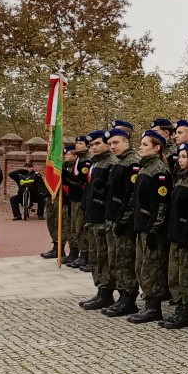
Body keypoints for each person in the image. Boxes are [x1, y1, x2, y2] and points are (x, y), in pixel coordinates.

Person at [126, 131, 170, 323]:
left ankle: (154, 307)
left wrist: (154, 229)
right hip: (141, 226)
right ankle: (148, 303)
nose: (140, 147)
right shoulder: (144, 169)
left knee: (152, 267)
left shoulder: (159, 171)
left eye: (145, 144)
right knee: (141, 266)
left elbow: (161, 204)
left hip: (151, 229)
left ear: (157, 147)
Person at [161, 143, 188, 328]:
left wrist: (187, 235)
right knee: (174, 275)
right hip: (175, 235)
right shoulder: (180, 179)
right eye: (179, 157)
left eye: (184, 157)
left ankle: (187, 312)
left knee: (187, 276)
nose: (179, 160)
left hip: (186, 237)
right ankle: (179, 307)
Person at [101, 128, 141, 317]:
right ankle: (121, 295)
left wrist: (122, 220)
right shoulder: (119, 162)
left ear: (126, 142)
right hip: (112, 219)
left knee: (125, 260)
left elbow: (131, 196)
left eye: (116, 143)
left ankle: (129, 298)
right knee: (115, 259)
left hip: (123, 222)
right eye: (110, 144)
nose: (112, 147)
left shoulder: (132, 162)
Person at [77, 131, 116, 308]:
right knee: (95, 257)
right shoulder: (96, 162)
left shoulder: (110, 163)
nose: (93, 147)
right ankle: (100, 289)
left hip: (102, 218)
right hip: (92, 217)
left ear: (107, 145)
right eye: (91, 145)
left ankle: (106, 292)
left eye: (97, 144)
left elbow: (110, 192)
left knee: (103, 257)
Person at [66, 135, 92, 269]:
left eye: (80, 143)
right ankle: (79, 253)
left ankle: (85, 255)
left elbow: (81, 181)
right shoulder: (80, 159)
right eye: (76, 143)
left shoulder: (86, 161)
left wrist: (66, 179)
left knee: (81, 228)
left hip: (81, 198)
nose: (77, 145)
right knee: (75, 228)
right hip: (74, 198)